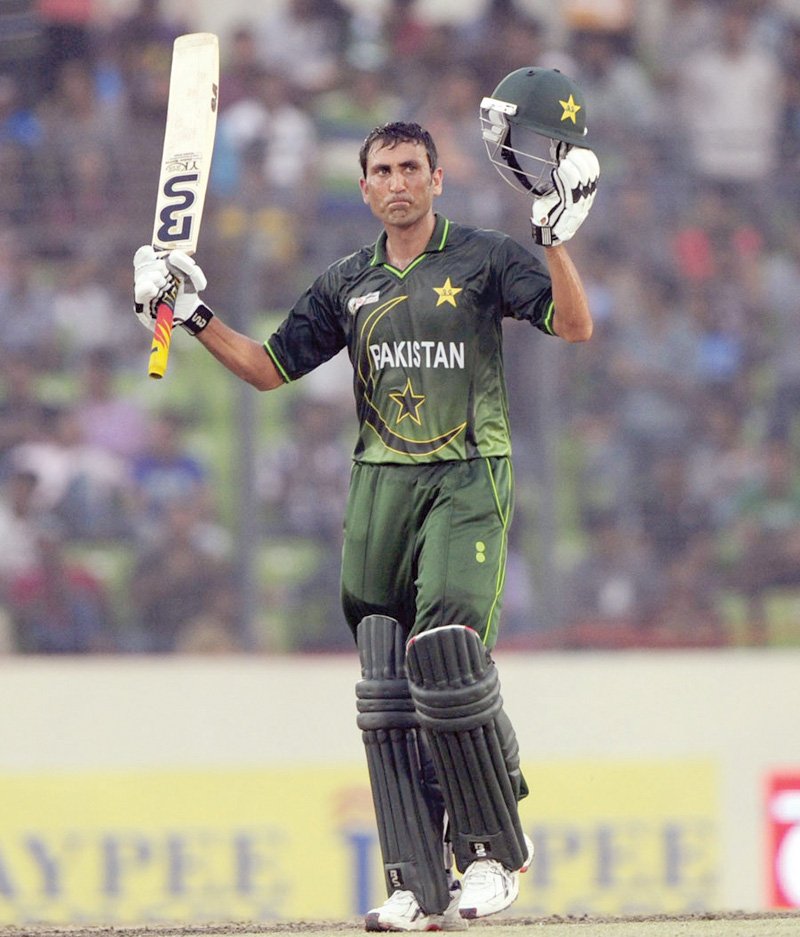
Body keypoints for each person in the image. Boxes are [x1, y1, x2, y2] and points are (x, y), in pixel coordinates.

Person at [131, 66, 598, 931]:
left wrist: (557, 242)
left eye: (409, 169)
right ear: (362, 187)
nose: (395, 184)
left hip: (466, 475)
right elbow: (267, 370)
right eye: (380, 172)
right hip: (378, 484)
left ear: (436, 178)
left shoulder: (489, 257)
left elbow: (574, 326)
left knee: (448, 655)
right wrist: (190, 313)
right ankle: (416, 881)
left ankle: (492, 854)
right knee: (386, 685)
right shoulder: (346, 280)